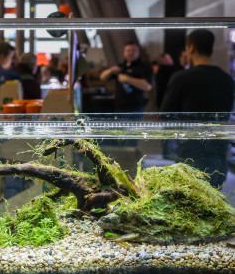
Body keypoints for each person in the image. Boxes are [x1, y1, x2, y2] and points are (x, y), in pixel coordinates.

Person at [161, 29, 235, 188]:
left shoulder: (182, 78)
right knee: (214, 205)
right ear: (211, 48)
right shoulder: (227, 79)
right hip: (218, 155)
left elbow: (165, 116)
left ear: (191, 48)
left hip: (189, 156)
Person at [99, 41, 153, 113]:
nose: (130, 53)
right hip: (119, 106)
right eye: (128, 50)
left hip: (134, 108)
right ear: (124, 52)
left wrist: (127, 79)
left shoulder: (144, 67)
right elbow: (102, 78)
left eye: (133, 51)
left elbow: (147, 86)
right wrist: (110, 70)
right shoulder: (121, 66)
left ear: (138, 52)